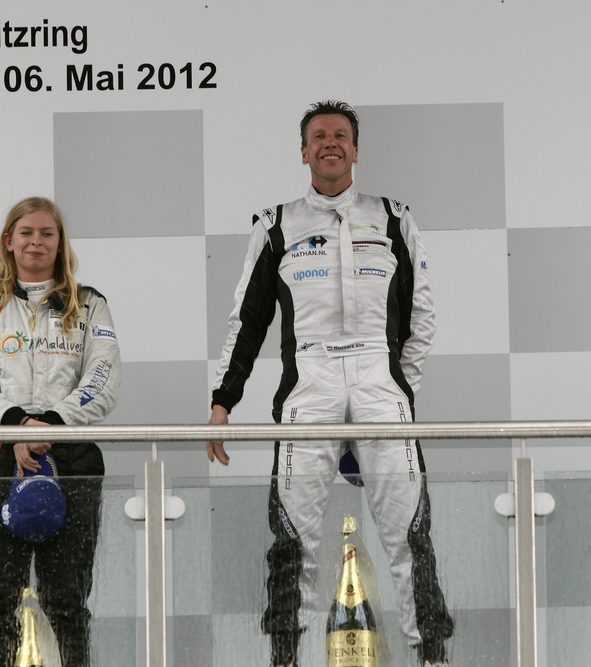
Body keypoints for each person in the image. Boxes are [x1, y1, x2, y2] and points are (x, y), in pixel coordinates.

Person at [207, 100, 454, 667]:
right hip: (308, 383)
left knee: (410, 539)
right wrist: (223, 402)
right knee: (292, 541)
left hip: (378, 379)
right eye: (318, 136)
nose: (330, 143)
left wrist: (399, 387)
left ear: (356, 150)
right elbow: (247, 321)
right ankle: (284, 658)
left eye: (340, 135)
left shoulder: (394, 217)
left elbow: (421, 317)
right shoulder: (275, 224)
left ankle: (433, 658)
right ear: (304, 152)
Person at [0, 196, 121, 667]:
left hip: (72, 454)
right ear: (8, 241)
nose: (36, 242)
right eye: (26, 232)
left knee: (67, 603)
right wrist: (17, 425)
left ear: (60, 243)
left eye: (47, 233)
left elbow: (103, 379)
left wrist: (51, 426)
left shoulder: (89, 303)